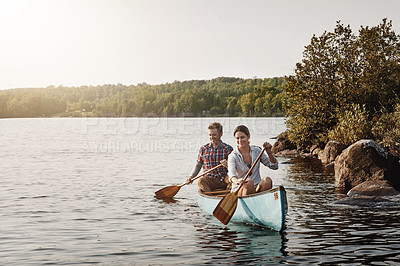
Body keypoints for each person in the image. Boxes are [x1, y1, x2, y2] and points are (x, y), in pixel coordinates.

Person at [228, 125, 278, 196]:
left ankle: (260, 200)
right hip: (240, 189)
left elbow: (274, 166)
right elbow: (231, 175)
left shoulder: (257, 151)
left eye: (242, 137)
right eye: (237, 138)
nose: (240, 140)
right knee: (249, 182)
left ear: (248, 136)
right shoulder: (232, 156)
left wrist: (269, 153)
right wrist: (238, 181)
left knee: (267, 180)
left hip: (256, 188)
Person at [186, 122, 233, 193]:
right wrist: (191, 177)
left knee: (232, 179)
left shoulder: (228, 149)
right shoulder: (203, 149)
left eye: (214, 135)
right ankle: (209, 196)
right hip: (210, 180)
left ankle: (227, 196)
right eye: (210, 135)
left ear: (221, 134)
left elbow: (235, 167)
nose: (211, 137)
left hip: (224, 179)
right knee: (201, 181)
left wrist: (227, 164)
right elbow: (198, 165)